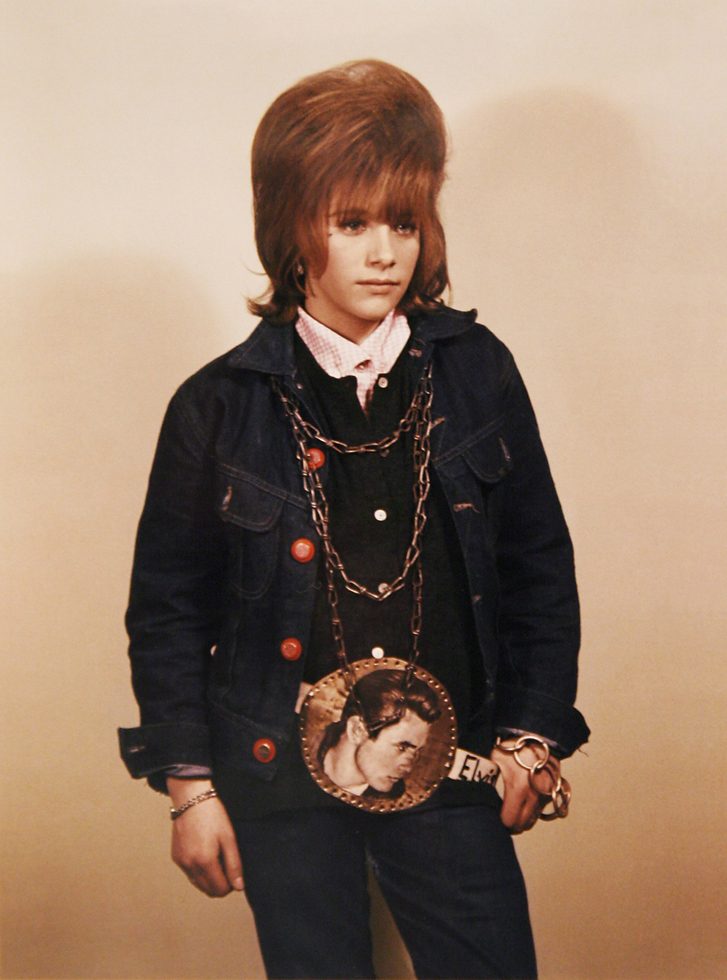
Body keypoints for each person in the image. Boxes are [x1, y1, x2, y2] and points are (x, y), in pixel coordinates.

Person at [119, 59, 589, 979]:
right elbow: (167, 613)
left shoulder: (475, 370)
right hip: (276, 779)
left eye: (404, 223)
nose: (385, 252)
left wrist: (530, 740)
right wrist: (189, 789)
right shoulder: (215, 407)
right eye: (351, 223)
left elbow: (540, 568)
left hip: (452, 772)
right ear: (292, 231)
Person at [317, 669, 441, 797]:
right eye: (401, 747)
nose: (408, 769)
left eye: (417, 752)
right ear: (357, 730)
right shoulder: (299, 749)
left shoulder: (396, 802)